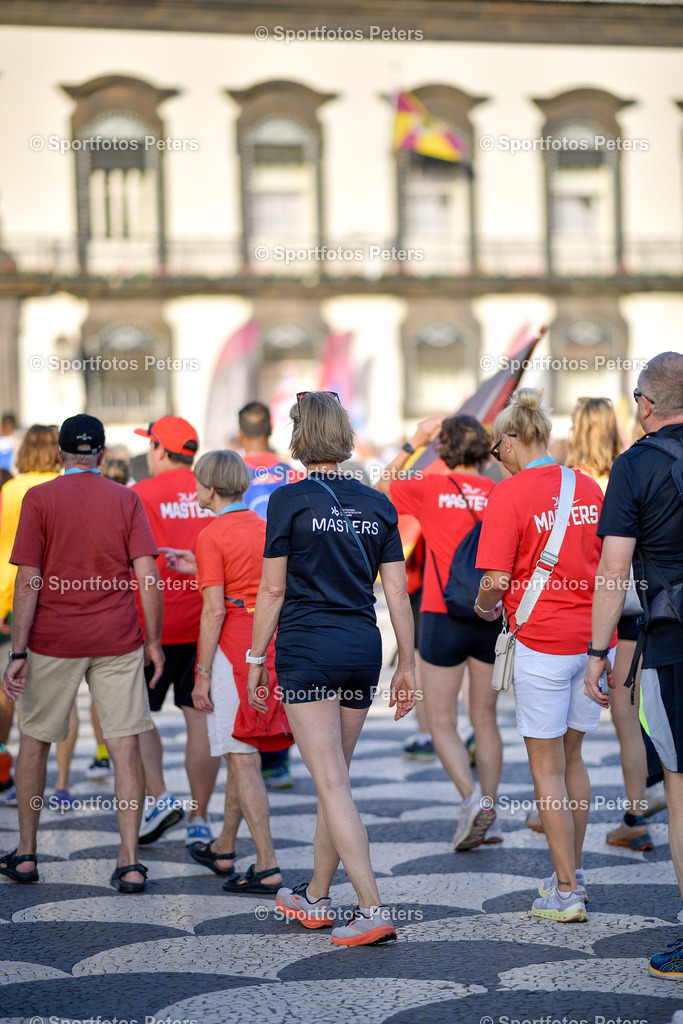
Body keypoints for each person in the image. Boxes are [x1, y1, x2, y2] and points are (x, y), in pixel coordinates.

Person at [246, 391, 416, 946]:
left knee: (333, 782)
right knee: (332, 780)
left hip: (308, 647)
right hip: (363, 650)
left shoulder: (289, 502)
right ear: (342, 435)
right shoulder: (378, 503)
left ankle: (372, 907)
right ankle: (316, 897)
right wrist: (406, 665)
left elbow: (271, 589)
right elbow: (398, 592)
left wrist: (254, 659)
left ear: (300, 437)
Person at [0, 414, 164, 893]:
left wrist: (18, 649)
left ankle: (27, 854)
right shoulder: (125, 497)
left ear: (60, 453)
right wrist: (153, 640)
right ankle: (129, 860)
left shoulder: (40, 497)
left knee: (35, 742)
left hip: (53, 639)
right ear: (100, 452)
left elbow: (29, 580)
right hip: (117, 638)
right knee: (125, 745)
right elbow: (148, 575)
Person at [475, 388, 613, 924]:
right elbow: (608, 564)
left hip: (540, 643)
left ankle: (565, 888)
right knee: (572, 760)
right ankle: (572, 872)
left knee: (545, 771)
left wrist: (486, 606)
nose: (495, 455)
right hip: (591, 643)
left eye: (496, 446)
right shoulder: (585, 485)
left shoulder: (508, 496)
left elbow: (495, 578)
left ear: (512, 442)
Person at [583, 352, 683, 977]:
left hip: (672, 639)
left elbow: (614, 569)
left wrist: (598, 651)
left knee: (677, 782)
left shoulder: (636, 463)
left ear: (645, 405)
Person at [164, 450, 291, 891]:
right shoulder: (265, 525)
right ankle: (224, 845)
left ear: (211, 489)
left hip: (235, 647)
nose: (196, 490)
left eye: (199, 484)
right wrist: (197, 564)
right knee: (247, 749)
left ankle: (267, 864)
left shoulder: (211, 533)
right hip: (271, 644)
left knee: (241, 757)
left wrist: (200, 674)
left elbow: (214, 611)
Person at [377, 415, 503, 849]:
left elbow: (380, 491)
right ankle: (490, 807)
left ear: (444, 449)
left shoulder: (431, 488)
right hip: (489, 614)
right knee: (485, 719)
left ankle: (471, 801)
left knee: (443, 721)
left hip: (440, 613)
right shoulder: (499, 491)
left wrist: (414, 444)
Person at [568, 397, 664, 851]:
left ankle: (554, 808)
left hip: (576, 611)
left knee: (561, 725)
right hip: (633, 609)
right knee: (628, 719)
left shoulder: (570, 485)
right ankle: (636, 816)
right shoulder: (633, 469)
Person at [132, 417, 219, 848]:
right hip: (206, 622)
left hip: (151, 626)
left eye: (149, 445)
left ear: (160, 450)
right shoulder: (210, 490)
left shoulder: (138, 494)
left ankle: (159, 797)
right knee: (200, 718)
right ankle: (200, 819)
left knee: (134, 716)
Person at [0, 425, 78, 808]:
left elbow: (6, 548)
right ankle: (62, 784)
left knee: (16, 689)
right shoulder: (65, 487)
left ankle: (15, 776)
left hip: (15, 592)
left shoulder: (12, 490)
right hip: (62, 600)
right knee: (69, 699)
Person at [238, 400, 298, 790]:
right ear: (272, 428)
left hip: (243, 583)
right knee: (283, 664)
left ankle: (254, 749)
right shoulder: (290, 472)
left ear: (241, 432)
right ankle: (279, 757)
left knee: (251, 661)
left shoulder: (234, 470)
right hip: (288, 578)